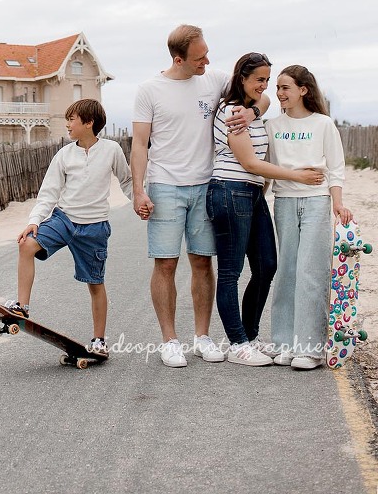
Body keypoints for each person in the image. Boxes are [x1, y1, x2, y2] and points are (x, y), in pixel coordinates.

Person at [131, 24, 266, 368]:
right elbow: (139, 144)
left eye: (207, 52)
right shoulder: (149, 90)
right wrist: (137, 190)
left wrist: (254, 111)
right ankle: (169, 341)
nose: (207, 59)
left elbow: (257, 94)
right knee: (165, 263)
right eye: (200, 56)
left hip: (207, 185)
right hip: (165, 186)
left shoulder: (214, 78)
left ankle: (202, 337)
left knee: (203, 262)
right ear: (179, 59)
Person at [207, 53, 326, 367]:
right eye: (259, 79)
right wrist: (297, 175)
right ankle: (237, 343)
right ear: (242, 77)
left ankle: (250, 334)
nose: (265, 86)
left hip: (252, 193)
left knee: (267, 266)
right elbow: (249, 163)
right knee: (231, 272)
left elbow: (269, 102)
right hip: (230, 190)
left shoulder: (251, 110)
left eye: (267, 80)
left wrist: (255, 107)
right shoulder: (232, 112)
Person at [6, 98, 132, 355]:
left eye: (72, 119)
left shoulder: (111, 150)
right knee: (27, 245)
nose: (67, 124)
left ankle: (98, 341)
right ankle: (22, 305)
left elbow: (127, 181)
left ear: (89, 122)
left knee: (95, 284)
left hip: (94, 227)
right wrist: (34, 221)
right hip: (63, 219)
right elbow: (48, 193)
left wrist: (141, 202)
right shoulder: (64, 155)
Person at [265, 64, 351, 370]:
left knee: (311, 272)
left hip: (316, 202)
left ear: (303, 90)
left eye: (285, 87)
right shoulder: (272, 125)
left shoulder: (323, 123)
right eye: (277, 87)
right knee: (287, 270)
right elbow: (266, 168)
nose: (279, 93)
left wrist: (337, 204)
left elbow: (336, 168)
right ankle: (284, 343)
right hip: (285, 202)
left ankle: (310, 348)